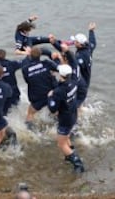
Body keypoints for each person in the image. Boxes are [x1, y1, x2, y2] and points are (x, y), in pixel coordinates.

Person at [47, 44, 85, 173]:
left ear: (60, 74)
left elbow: (52, 109)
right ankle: (70, 154)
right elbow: (74, 63)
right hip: (73, 114)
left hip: (65, 118)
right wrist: (68, 51)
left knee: (60, 143)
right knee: (67, 138)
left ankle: (78, 164)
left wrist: (49, 97)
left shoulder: (59, 91)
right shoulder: (74, 80)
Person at [21, 47, 58, 131]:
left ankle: (30, 132)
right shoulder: (47, 63)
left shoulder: (25, 69)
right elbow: (58, 68)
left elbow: (27, 81)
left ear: (30, 56)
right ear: (40, 55)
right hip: (51, 94)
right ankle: (59, 128)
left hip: (37, 97)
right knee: (57, 111)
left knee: (30, 113)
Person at [0, 49, 22, 115]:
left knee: (3, 111)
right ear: (5, 56)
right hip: (14, 91)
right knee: (15, 108)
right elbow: (23, 63)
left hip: (1, 93)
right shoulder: (11, 64)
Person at [71, 22, 97, 88]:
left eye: (75, 42)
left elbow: (74, 66)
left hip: (82, 82)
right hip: (87, 78)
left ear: (80, 44)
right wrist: (91, 30)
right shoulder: (89, 47)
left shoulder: (80, 57)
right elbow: (93, 42)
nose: (74, 43)